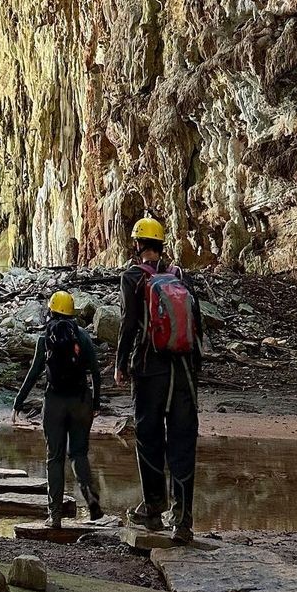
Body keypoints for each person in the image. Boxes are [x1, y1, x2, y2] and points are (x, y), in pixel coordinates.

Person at [115, 216, 203, 544]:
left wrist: (121, 363)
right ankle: (183, 519)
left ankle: (153, 507)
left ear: (138, 245)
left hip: (151, 369)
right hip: (183, 371)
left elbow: (128, 324)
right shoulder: (179, 276)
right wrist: (195, 368)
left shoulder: (133, 277)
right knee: (182, 440)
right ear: (161, 245)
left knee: (149, 438)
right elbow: (197, 325)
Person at [12, 290, 103, 528]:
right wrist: (96, 403)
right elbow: (95, 372)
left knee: (54, 458)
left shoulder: (45, 339)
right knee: (79, 454)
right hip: (81, 401)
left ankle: (54, 516)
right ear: (72, 313)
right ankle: (92, 500)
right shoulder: (82, 337)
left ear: (50, 310)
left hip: (54, 403)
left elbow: (34, 373)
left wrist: (18, 402)